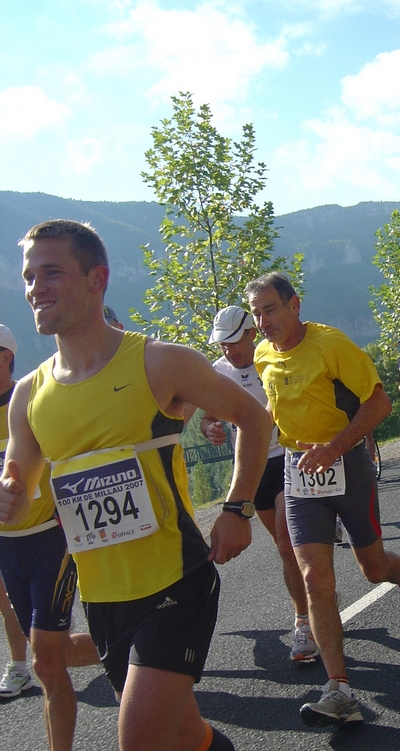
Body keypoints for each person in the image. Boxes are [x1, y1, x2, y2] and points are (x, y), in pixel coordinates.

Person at [0, 219, 271, 751]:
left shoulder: (158, 361)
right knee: (185, 735)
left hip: (175, 581)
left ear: (97, 278)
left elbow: (254, 420)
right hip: (102, 598)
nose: (36, 287)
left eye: (51, 272)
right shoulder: (29, 396)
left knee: (140, 740)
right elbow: (19, 482)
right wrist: (7, 490)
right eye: (30, 276)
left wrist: (237, 509)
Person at [245, 272, 400, 729]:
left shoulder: (331, 345)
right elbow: (277, 407)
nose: (263, 321)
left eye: (270, 309)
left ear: (294, 305)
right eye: (256, 313)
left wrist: (332, 447)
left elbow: (379, 404)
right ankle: (339, 689)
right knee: (315, 577)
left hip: (347, 465)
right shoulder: (260, 354)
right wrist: (238, 425)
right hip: (300, 475)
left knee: (373, 570)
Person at [0, 324, 99, 747]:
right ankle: (130, 641)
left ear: (5, 356)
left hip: (49, 540)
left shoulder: (29, 395)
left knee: (47, 659)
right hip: (8, 547)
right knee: (49, 658)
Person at [200, 305, 315, 661]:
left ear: (251, 333)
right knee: (285, 549)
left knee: (285, 539)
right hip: (252, 470)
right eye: (222, 345)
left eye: (234, 342)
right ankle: (314, 600)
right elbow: (207, 417)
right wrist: (212, 429)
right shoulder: (217, 372)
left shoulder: (271, 357)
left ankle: (303, 624)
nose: (229, 352)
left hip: (288, 457)